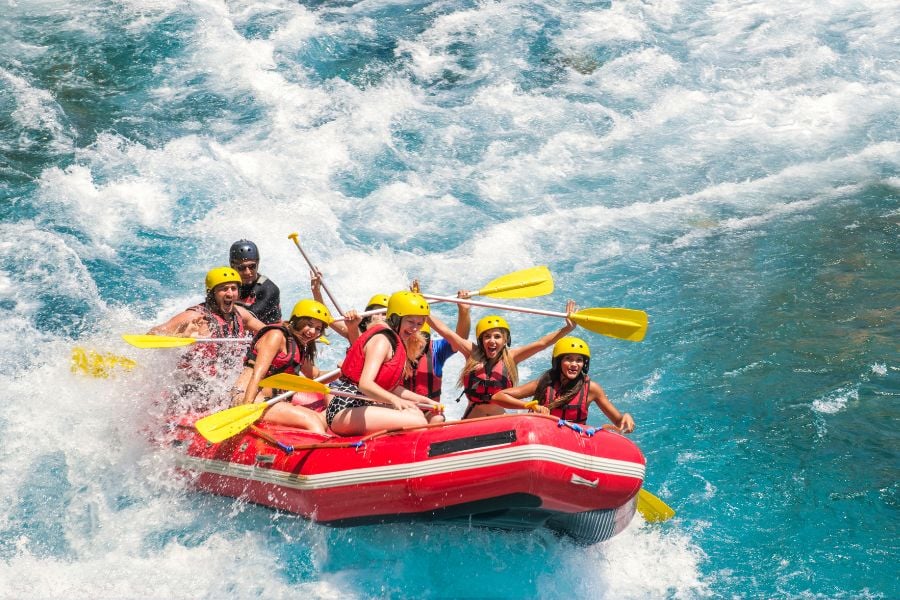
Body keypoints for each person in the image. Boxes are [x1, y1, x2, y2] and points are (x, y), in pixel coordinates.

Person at [427, 300, 577, 419]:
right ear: (481, 341)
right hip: (471, 419)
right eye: (487, 336)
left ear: (505, 340)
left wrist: (567, 328)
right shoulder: (471, 353)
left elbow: (542, 344)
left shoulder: (512, 357)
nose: (492, 341)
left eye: (497, 336)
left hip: (500, 420)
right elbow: (445, 331)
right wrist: (421, 308)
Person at [325, 291, 443, 436]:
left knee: (417, 414)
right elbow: (365, 384)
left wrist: (426, 401)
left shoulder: (395, 341)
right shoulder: (382, 340)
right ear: (395, 318)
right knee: (418, 422)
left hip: (362, 406)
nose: (415, 328)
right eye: (410, 321)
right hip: (344, 408)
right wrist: (395, 400)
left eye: (419, 323)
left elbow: (392, 388)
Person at [149, 267, 265, 408]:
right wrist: (182, 336)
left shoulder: (241, 314)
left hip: (224, 384)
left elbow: (269, 332)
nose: (230, 293)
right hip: (190, 389)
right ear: (212, 293)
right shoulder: (194, 316)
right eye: (224, 289)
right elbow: (152, 334)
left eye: (233, 289)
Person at [229, 299, 336, 433]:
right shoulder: (276, 336)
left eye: (318, 328)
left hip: (271, 400)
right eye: (309, 324)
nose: (313, 331)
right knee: (312, 421)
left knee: (319, 419)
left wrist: (342, 371)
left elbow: (315, 376)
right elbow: (258, 374)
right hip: (248, 397)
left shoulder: (298, 344)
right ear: (297, 321)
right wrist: (245, 409)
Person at [490, 337, 635, 433]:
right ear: (558, 362)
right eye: (568, 359)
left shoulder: (591, 389)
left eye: (579, 360)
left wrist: (626, 418)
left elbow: (618, 421)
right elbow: (498, 396)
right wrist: (530, 406)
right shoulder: (545, 383)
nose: (574, 364)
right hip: (544, 437)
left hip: (575, 440)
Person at [402, 293, 471, 402]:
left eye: (423, 338)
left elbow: (459, 339)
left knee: (437, 419)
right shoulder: (392, 348)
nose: (418, 342)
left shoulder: (435, 351)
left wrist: (464, 311)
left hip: (430, 410)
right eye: (413, 337)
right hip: (400, 409)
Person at [230, 239, 282, 324]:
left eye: (252, 266)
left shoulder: (270, 289)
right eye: (241, 267)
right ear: (232, 267)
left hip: (269, 333)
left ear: (258, 263)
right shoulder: (227, 285)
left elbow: (249, 319)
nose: (247, 272)